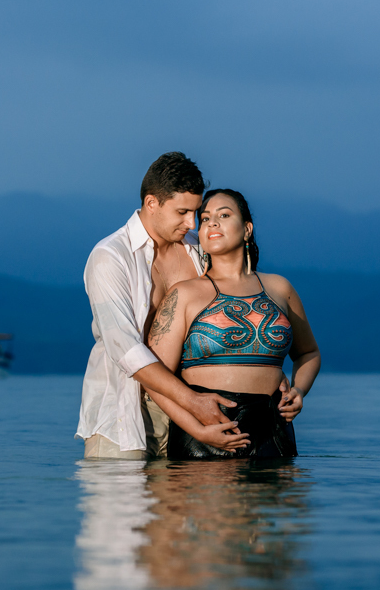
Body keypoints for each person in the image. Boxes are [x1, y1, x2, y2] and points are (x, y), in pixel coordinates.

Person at [77, 153, 248, 459]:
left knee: (180, 507)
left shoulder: (197, 249)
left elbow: (231, 310)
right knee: (126, 506)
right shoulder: (110, 257)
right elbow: (125, 350)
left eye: (196, 212)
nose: (192, 223)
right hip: (124, 415)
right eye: (182, 212)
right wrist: (193, 402)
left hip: (193, 411)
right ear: (152, 203)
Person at [146, 189, 321, 459]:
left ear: (247, 229)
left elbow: (309, 353)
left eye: (223, 215)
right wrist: (198, 430)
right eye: (204, 219)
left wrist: (299, 390)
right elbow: (154, 379)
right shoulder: (183, 295)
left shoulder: (280, 288)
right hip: (205, 434)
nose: (211, 223)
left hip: (273, 434)